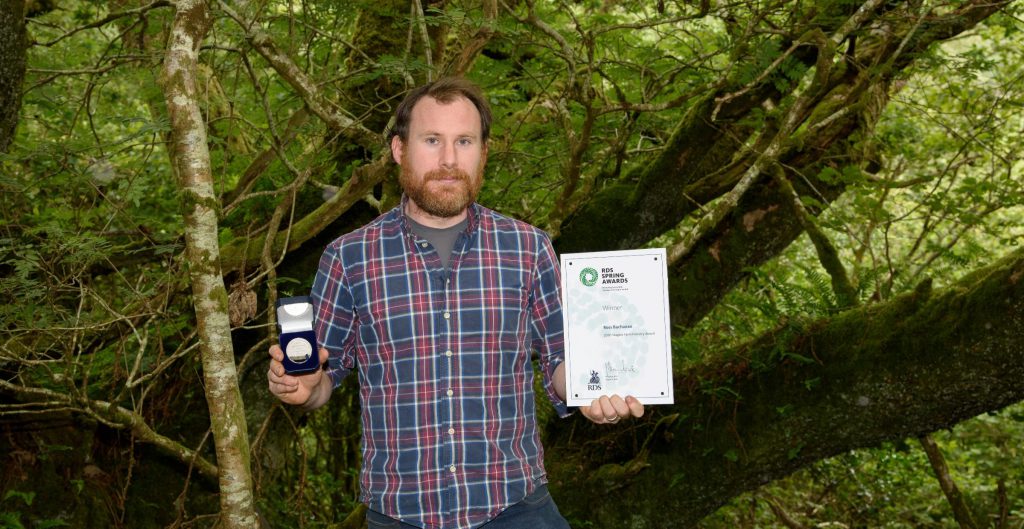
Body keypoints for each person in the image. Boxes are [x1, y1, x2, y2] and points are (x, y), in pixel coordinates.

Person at [267, 77, 644, 529]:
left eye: (464, 141)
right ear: (399, 150)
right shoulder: (349, 257)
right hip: (400, 514)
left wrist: (595, 390)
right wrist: (304, 389)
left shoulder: (529, 248)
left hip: (516, 508)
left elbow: (562, 361)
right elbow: (323, 378)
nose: (449, 160)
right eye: (432, 141)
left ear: (483, 152)